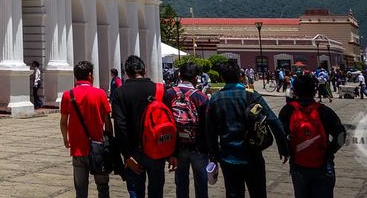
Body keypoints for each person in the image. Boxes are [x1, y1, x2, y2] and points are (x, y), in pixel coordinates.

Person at [205, 62, 288, 198]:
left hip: (228, 158)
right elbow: (273, 120)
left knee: (233, 194)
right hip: (252, 155)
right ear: (240, 76)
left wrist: (213, 156)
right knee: (258, 193)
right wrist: (283, 147)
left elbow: (210, 131)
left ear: (222, 78)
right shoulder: (251, 95)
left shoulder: (215, 99)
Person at [111, 55, 174, 198]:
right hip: (157, 148)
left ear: (126, 73)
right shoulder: (160, 90)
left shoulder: (120, 92)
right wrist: (172, 152)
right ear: (145, 70)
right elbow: (170, 121)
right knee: (156, 192)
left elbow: (120, 127)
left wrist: (126, 155)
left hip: (134, 152)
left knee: (136, 192)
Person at [279, 73, 346, 198]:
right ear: (315, 91)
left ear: (295, 91)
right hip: (323, 165)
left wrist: (286, 151)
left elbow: (281, 134)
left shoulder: (287, 111)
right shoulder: (324, 111)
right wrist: (329, 152)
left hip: (298, 165)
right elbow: (341, 135)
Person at [60, 60, 113, 198]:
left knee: (81, 189)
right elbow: (108, 122)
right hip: (98, 147)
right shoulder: (100, 94)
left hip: (78, 148)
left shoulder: (68, 95)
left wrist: (65, 139)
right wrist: (109, 141)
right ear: (90, 75)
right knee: (103, 187)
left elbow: (63, 122)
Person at [169, 62, 209, 198]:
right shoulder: (201, 97)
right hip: (199, 147)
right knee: (201, 186)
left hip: (177, 147)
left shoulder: (169, 94)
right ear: (196, 78)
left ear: (179, 75)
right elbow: (207, 126)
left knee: (181, 184)